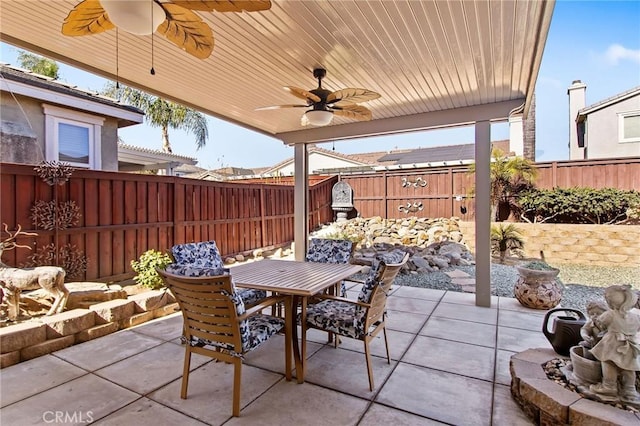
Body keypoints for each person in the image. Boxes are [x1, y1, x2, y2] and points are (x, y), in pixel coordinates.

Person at [589, 285, 640, 403]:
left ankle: (608, 386)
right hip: (630, 345)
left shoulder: (610, 314)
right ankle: (630, 390)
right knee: (628, 368)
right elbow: (637, 329)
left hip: (612, 344)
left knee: (609, 363)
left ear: (610, 302)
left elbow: (601, 325)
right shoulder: (636, 317)